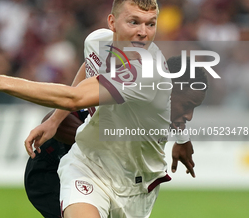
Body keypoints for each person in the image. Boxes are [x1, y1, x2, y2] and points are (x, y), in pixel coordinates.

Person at [0, 0, 204, 218]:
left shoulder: (145, 73)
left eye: (151, 24)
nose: (143, 32)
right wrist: (56, 120)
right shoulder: (98, 41)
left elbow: (76, 98)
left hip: (134, 187)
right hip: (88, 165)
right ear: (112, 23)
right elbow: (89, 66)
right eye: (134, 22)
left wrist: (0, 81)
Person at [24, 55, 207, 218]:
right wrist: (59, 123)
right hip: (53, 167)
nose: (189, 116)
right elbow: (89, 65)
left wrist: (183, 138)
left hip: (120, 184)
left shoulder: (160, 97)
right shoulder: (132, 85)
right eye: (187, 106)